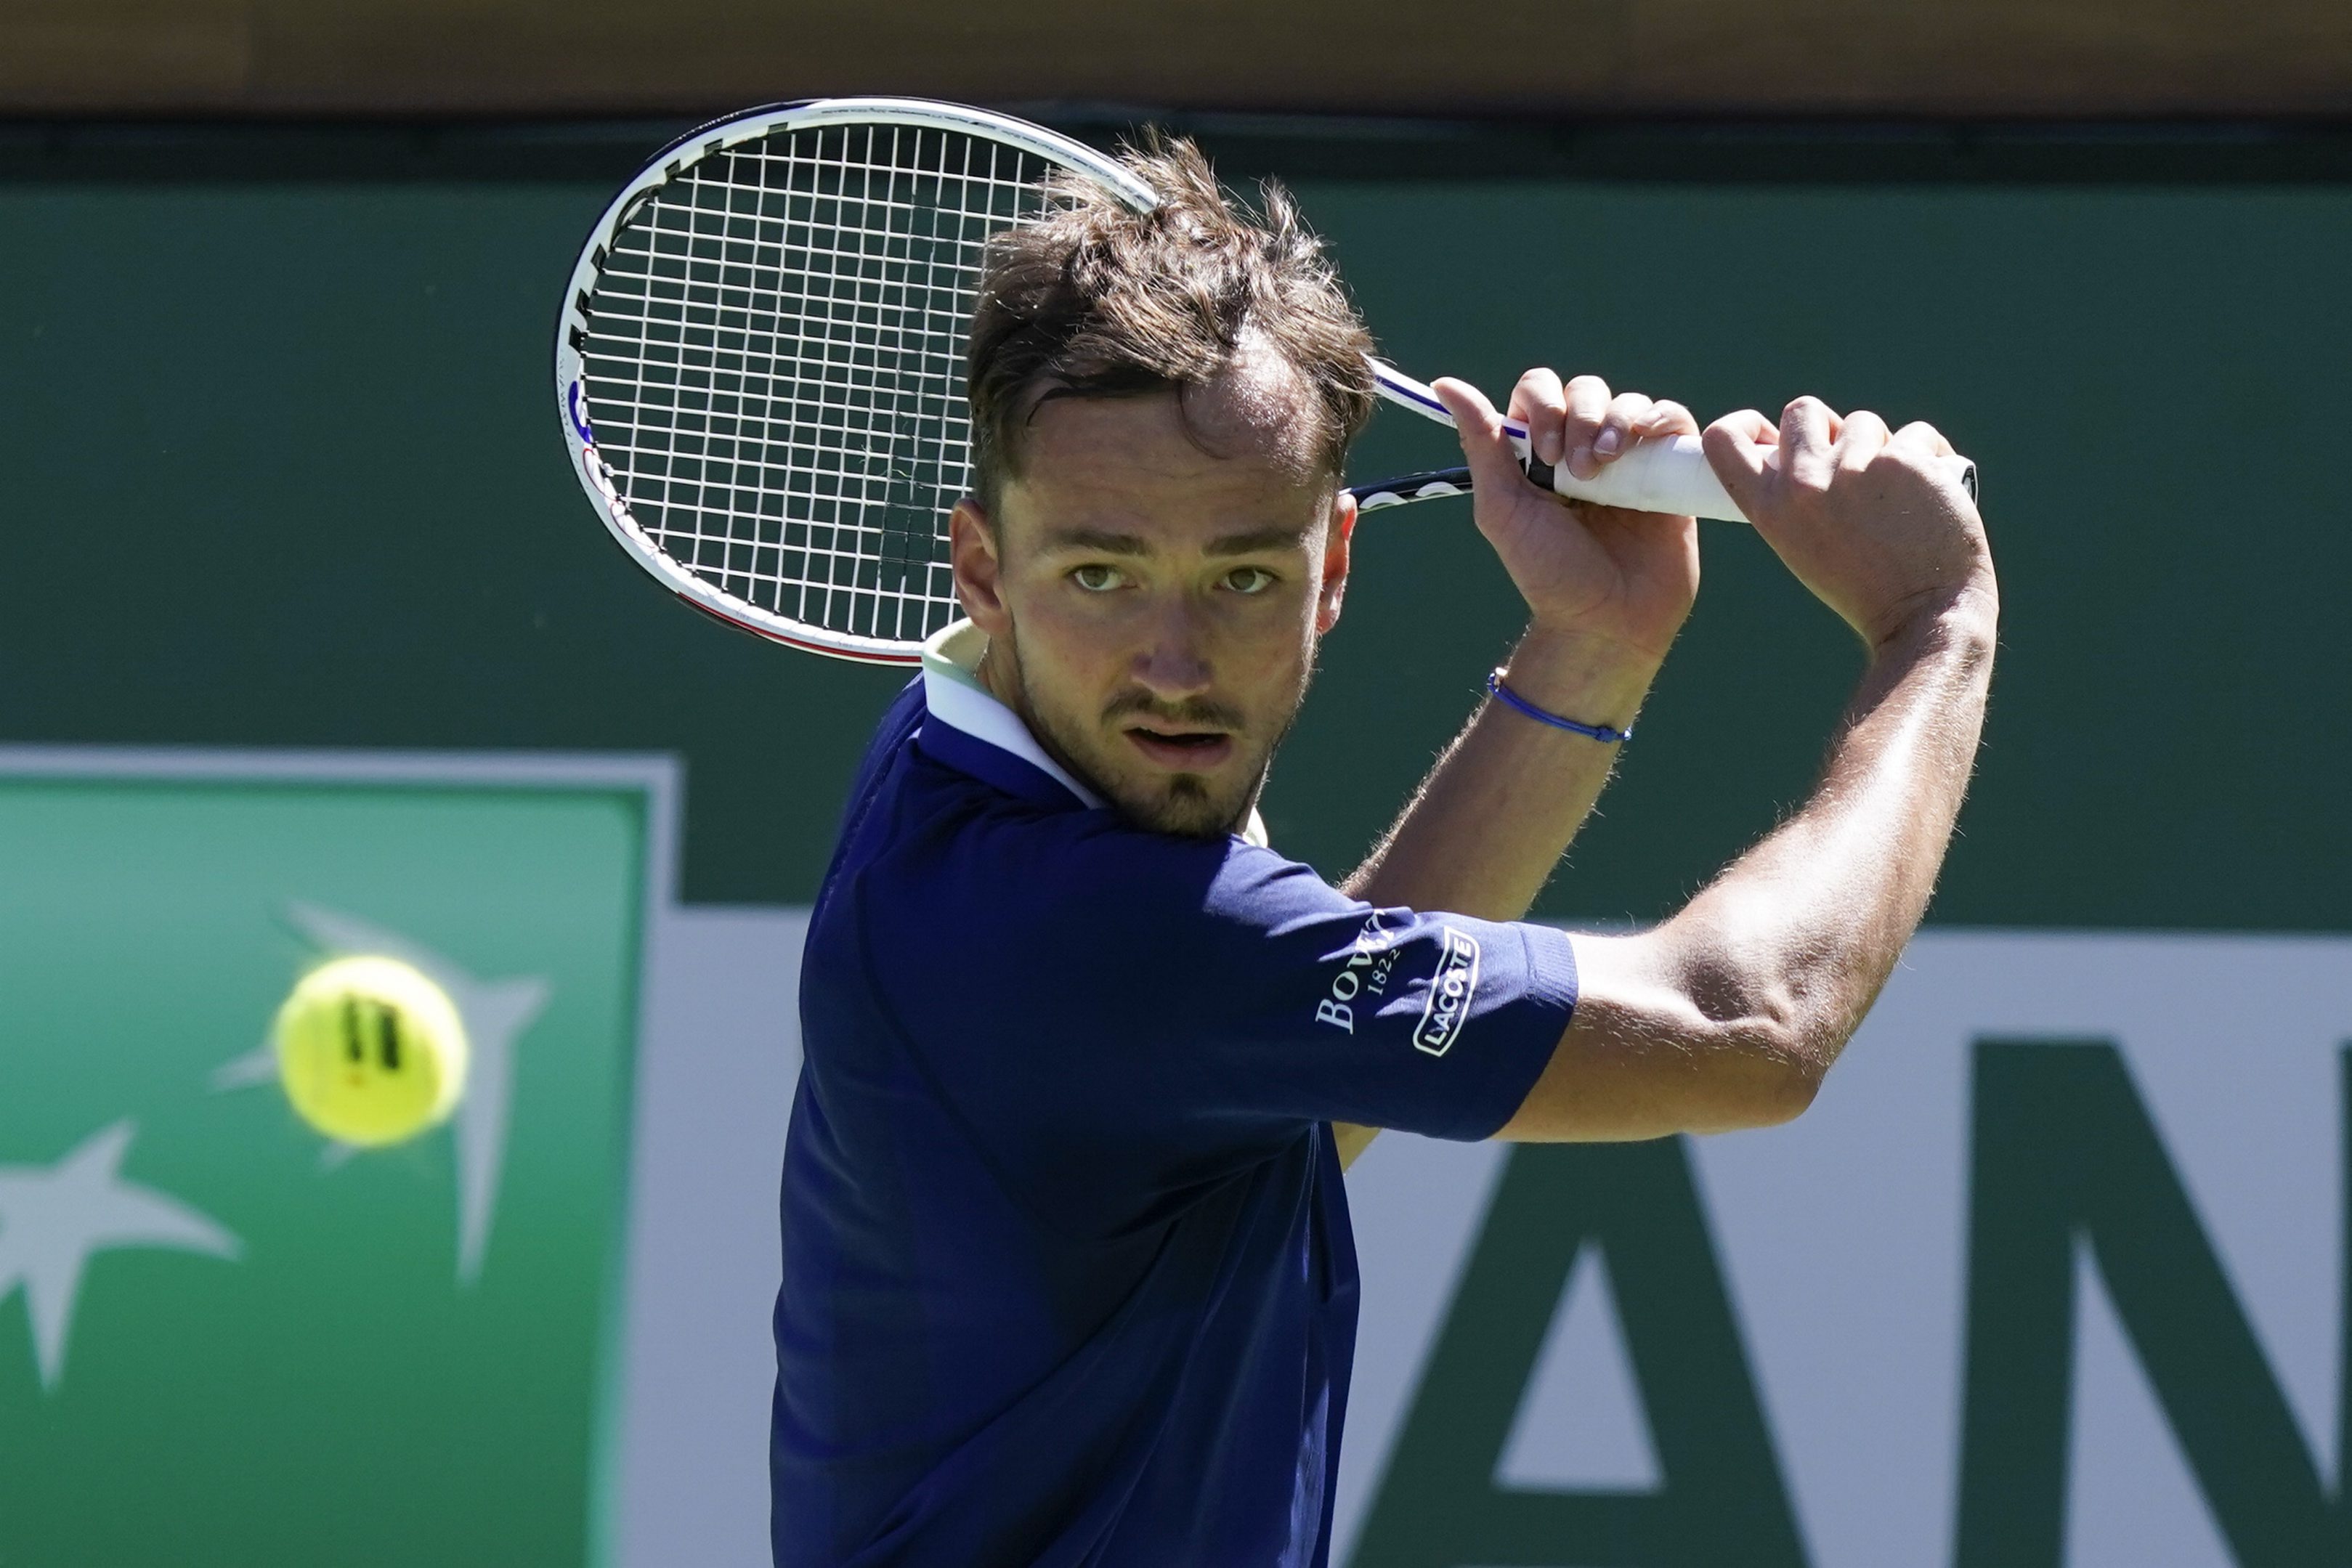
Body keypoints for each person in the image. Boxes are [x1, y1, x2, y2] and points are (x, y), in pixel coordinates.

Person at [769, 138, 1995, 1567]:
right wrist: (1932, 627)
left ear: (1330, 569)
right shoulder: (1082, 930)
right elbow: (1745, 1027)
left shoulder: (957, 764)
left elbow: (1293, 1095)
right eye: (1099, 574)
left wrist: (1590, 647)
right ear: (984, 569)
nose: (1173, 662)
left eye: (1242, 576)